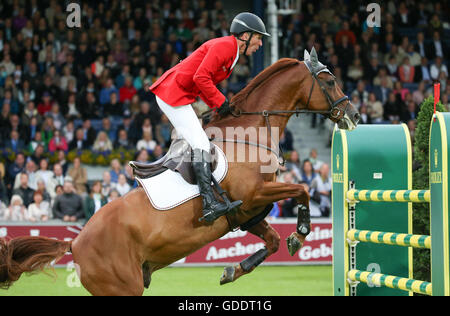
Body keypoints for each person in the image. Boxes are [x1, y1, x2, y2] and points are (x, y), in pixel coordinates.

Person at [148, 12, 270, 222]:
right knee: (201, 143)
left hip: (180, 94)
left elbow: (203, 82)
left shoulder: (232, 52)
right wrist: (220, 102)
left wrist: (218, 105)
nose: (260, 43)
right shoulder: (225, 46)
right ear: (245, 35)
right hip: (173, 93)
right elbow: (201, 77)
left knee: (200, 141)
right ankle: (208, 204)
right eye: (258, 37)